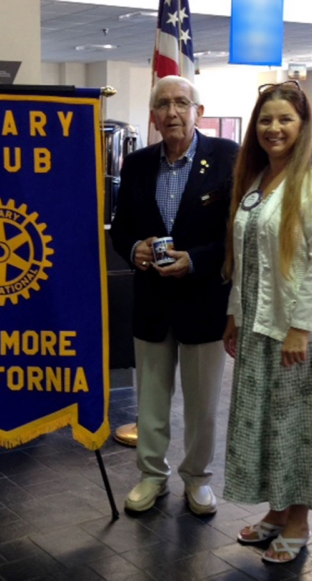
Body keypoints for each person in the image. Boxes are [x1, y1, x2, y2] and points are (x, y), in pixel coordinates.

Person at [222, 81, 312, 563]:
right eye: (265, 120)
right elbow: (246, 256)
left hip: (302, 334)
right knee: (270, 425)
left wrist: (301, 327)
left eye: (284, 120)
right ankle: (277, 512)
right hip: (259, 325)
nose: (273, 129)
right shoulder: (257, 181)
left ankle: (298, 522)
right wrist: (235, 312)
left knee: (298, 428)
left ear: (304, 126)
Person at [110, 75, 238, 515]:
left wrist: (196, 260)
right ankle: (151, 476)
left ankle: (197, 479)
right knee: (149, 400)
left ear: (197, 111)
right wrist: (133, 248)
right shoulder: (139, 163)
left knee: (203, 405)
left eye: (182, 103)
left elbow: (236, 235)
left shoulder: (226, 158)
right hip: (151, 303)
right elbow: (121, 228)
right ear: (153, 116)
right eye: (163, 104)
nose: (172, 112)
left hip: (204, 303)